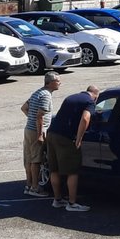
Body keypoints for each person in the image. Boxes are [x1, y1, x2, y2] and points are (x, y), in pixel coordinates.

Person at [47, 84, 99, 212]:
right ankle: (72, 203)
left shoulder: (71, 97)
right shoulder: (90, 102)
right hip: (66, 137)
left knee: (54, 169)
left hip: (52, 133)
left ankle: (57, 200)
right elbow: (85, 118)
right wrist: (79, 138)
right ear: (95, 96)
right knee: (72, 171)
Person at [20, 71, 60, 197]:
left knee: (29, 158)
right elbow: (40, 116)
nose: (60, 83)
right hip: (36, 131)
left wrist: (30, 118)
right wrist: (40, 133)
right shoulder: (46, 95)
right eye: (58, 81)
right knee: (36, 160)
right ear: (50, 82)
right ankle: (35, 188)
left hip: (28, 129)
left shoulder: (37, 92)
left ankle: (28, 185)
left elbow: (24, 108)